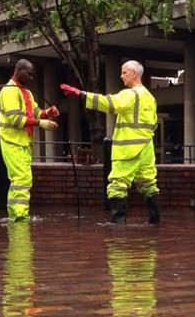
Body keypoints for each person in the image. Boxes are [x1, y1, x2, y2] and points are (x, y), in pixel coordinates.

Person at [60, 60, 160, 224]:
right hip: (146, 148)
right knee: (149, 184)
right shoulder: (150, 97)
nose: (121, 76)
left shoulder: (130, 94)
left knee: (117, 185)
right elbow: (153, 123)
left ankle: (116, 224)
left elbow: (109, 103)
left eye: (124, 72)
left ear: (134, 73)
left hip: (128, 148)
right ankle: (155, 221)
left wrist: (81, 94)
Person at [0, 59, 59, 221]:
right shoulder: (10, 91)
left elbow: (35, 111)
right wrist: (42, 123)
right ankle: (20, 217)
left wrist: (48, 112)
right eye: (29, 74)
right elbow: (15, 119)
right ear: (18, 70)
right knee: (21, 180)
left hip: (21, 143)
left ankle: (15, 215)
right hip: (12, 142)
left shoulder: (26, 92)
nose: (31, 78)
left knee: (19, 181)